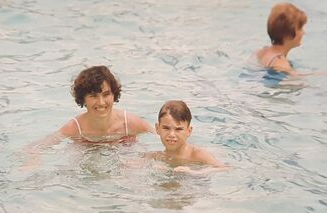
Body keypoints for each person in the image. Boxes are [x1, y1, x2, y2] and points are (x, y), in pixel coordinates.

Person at [21, 65, 152, 169]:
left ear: (114, 95)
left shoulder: (129, 123)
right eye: (93, 96)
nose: (101, 102)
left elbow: (165, 136)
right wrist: (34, 158)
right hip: (88, 154)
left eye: (106, 94)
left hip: (124, 153)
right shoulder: (75, 127)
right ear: (83, 99)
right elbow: (36, 146)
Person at [148, 100, 227, 173]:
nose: (171, 134)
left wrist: (194, 172)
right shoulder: (155, 157)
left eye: (178, 129)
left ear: (189, 131)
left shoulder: (197, 155)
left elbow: (225, 168)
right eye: (166, 128)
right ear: (157, 128)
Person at [257, 3, 307, 76]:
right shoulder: (281, 64)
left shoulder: (261, 52)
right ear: (289, 32)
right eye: (300, 28)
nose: (303, 33)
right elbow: (298, 83)